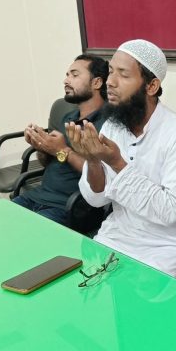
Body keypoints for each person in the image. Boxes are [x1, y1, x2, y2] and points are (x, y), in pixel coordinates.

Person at [66, 39, 176, 275]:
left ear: (151, 86)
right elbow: (96, 200)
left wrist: (117, 163)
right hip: (121, 233)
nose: (110, 82)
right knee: (87, 280)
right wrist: (92, 159)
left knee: (137, 289)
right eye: (111, 71)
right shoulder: (112, 127)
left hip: (171, 242)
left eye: (123, 74)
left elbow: (170, 211)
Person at [12, 54, 108, 226]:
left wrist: (63, 150)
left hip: (70, 207)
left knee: (24, 234)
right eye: (67, 75)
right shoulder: (68, 117)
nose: (66, 80)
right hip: (38, 196)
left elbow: (104, 177)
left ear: (96, 83)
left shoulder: (108, 124)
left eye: (74, 75)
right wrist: (42, 147)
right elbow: (51, 161)